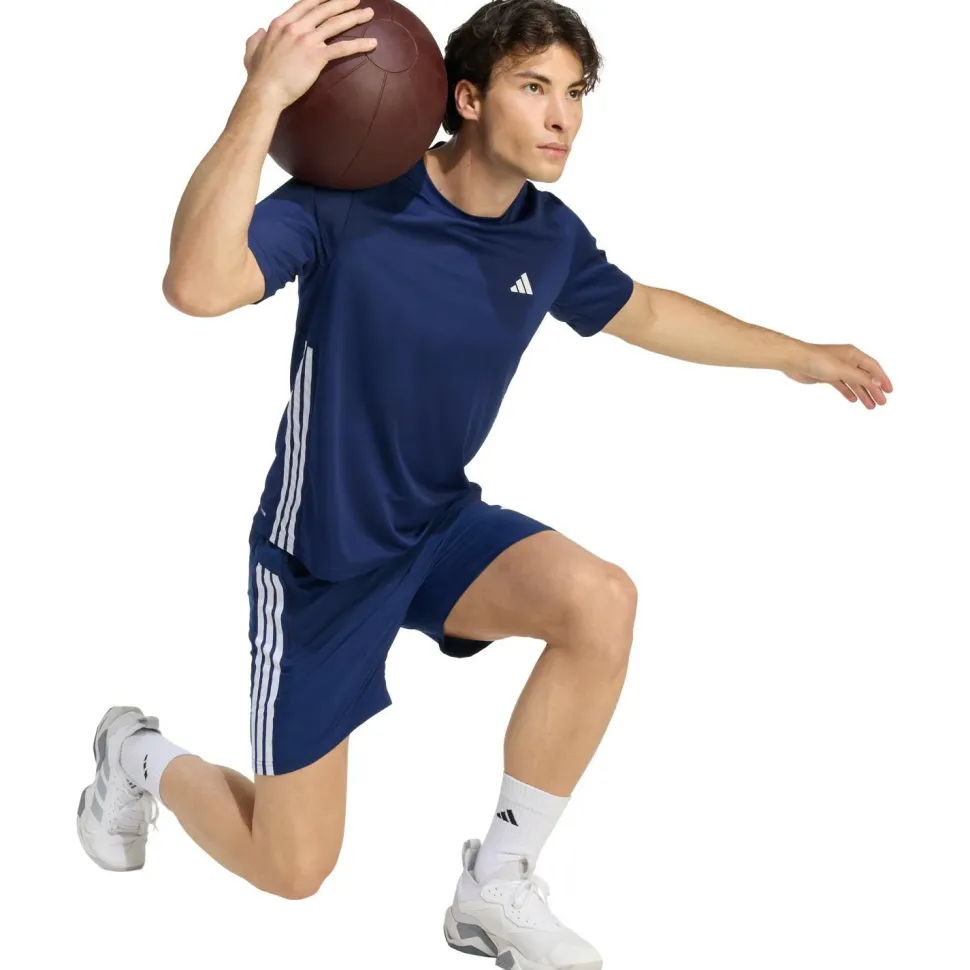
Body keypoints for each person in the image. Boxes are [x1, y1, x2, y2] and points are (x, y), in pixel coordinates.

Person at [76, 1, 893, 967]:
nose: (563, 116)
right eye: (534, 87)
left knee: (600, 599)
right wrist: (262, 97)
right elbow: (198, 285)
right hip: (322, 559)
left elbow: (646, 313)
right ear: (466, 97)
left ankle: (495, 884)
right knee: (291, 868)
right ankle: (136, 755)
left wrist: (798, 355)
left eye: (575, 93)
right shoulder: (351, 198)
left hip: (437, 529)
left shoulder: (547, 238)